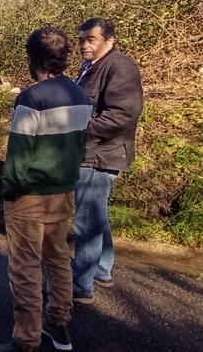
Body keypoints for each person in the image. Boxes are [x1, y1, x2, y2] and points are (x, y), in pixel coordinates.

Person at [0, 27, 91, 352]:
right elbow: (80, 146)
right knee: (58, 259)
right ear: (63, 58)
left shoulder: (31, 97)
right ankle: (60, 327)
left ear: (33, 58)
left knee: (25, 268)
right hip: (63, 192)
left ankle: (26, 341)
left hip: (28, 196)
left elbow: (18, 158)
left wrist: (9, 192)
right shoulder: (80, 95)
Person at [71, 17, 143, 304]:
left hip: (99, 154)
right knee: (96, 214)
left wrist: (77, 132)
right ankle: (102, 270)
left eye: (91, 40)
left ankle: (82, 284)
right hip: (95, 152)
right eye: (81, 41)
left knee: (86, 219)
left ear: (109, 41)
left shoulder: (119, 66)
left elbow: (122, 115)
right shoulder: (92, 66)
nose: (84, 45)